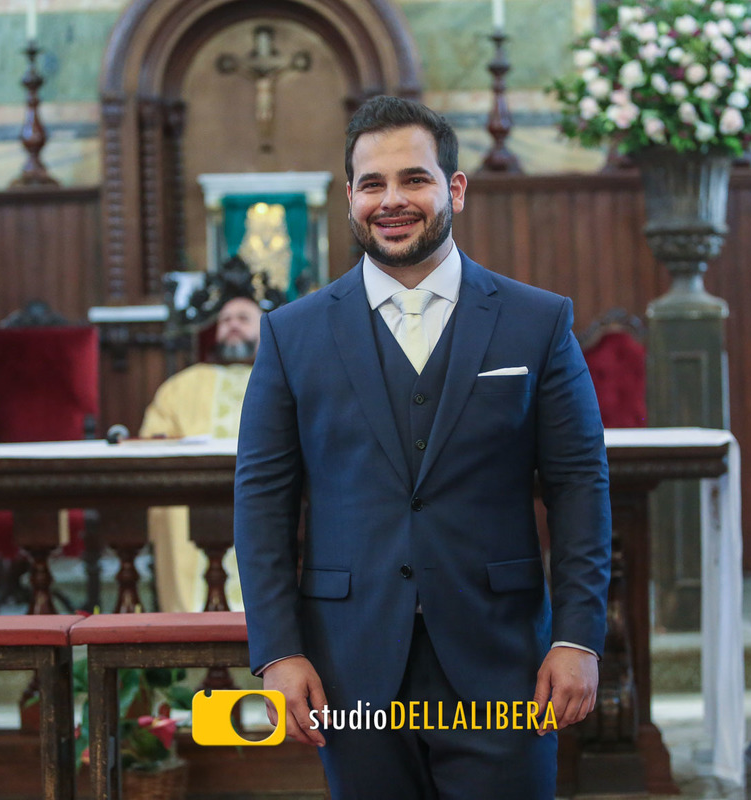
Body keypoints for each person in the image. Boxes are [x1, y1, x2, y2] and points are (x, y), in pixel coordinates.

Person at [233, 95, 611, 798]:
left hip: (503, 659)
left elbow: (579, 486)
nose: (392, 200)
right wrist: (278, 651)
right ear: (349, 197)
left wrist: (579, 636)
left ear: (454, 189)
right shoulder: (293, 334)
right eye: (372, 184)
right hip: (350, 661)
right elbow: (262, 504)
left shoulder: (538, 321)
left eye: (414, 179)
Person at [140, 294, 262, 612]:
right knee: (175, 513)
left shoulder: (284, 378)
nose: (232, 324)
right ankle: (187, 629)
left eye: (244, 318)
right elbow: (153, 440)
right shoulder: (181, 386)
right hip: (193, 493)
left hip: (265, 494)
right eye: (225, 320)